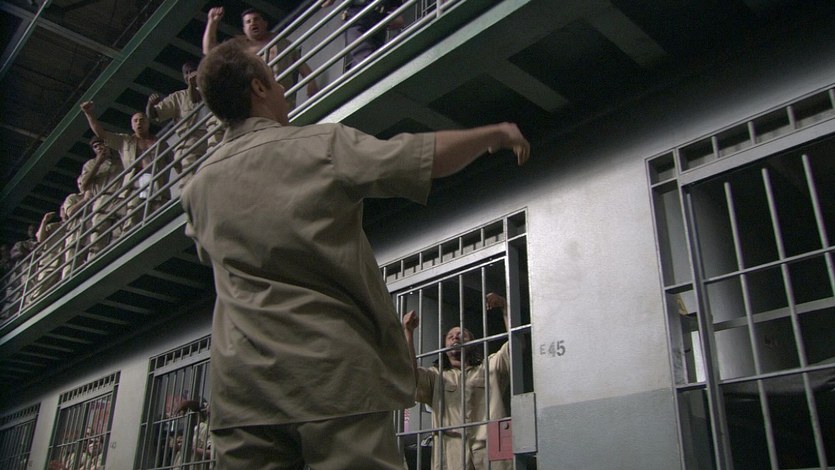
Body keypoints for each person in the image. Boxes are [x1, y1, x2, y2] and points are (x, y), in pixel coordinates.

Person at [181, 37, 529, 468]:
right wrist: (493, 134)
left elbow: (211, 252)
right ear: (258, 87)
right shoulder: (319, 146)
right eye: (275, 78)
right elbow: (414, 157)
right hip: (330, 377)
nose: (282, 88)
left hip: (240, 393)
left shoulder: (197, 188)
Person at [403, 293, 512, 470]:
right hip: (451, 450)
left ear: (473, 344)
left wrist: (506, 308)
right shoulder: (435, 376)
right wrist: (408, 332)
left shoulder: (490, 366)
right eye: (450, 336)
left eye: (462, 334)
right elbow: (408, 376)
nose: (456, 337)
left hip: (492, 443)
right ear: (444, 348)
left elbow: (515, 346)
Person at [80, 102, 174, 230]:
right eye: (135, 121)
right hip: (136, 180)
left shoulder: (160, 143)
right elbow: (101, 134)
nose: (139, 123)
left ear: (148, 123)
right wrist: (89, 114)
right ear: (132, 125)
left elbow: (174, 162)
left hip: (156, 180)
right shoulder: (125, 141)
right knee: (133, 214)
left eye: (142, 120)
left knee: (159, 213)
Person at [202, 7, 319, 109]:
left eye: (256, 19)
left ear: (265, 23)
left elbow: (299, 62)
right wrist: (212, 22)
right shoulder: (238, 46)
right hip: (257, 100)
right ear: (244, 29)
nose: (252, 23)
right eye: (248, 22)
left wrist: (311, 82)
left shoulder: (281, 41)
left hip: (284, 97)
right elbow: (209, 50)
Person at [146, 61, 210, 185]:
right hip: (192, 140)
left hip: (214, 132)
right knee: (191, 180)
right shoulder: (178, 97)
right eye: (186, 73)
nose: (189, 74)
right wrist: (150, 104)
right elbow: (153, 114)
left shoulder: (212, 89)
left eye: (192, 70)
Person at [77, 137, 125, 260]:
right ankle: (94, 262)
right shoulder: (90, 164)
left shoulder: (120, 160)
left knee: (125, 227)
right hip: (102, 199)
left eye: (101, 144)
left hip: (120, 196)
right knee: (98, 236)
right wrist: (98, 162)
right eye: (95, 146)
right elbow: (84, 185)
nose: (99, 148)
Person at [321, 0, 404, 69]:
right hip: (357, 16)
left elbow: (396, 7)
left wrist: (397, 13)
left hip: (379, 19)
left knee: (374, 57)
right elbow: (325, 3)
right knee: (366, 60)